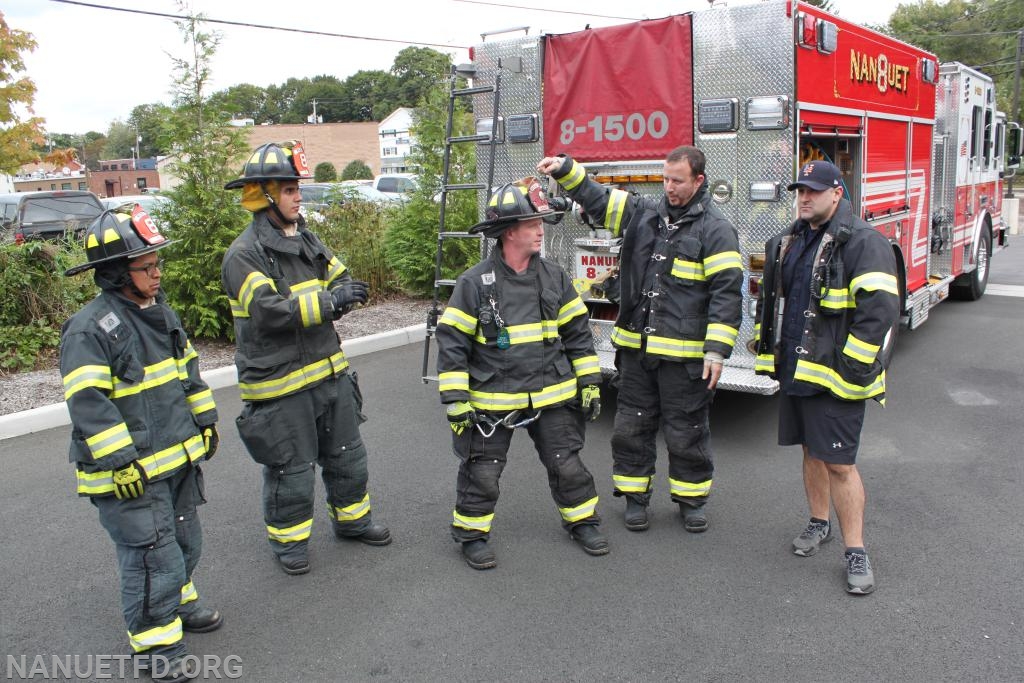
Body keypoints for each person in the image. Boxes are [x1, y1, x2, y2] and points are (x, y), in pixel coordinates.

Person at [537, 147, 743, 533]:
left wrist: (716, 350)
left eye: (677, 181)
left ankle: (690, 501)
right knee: (631, 427)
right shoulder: (644, 213)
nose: (669, 187)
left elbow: (727, 293)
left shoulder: (716, 230)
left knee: (687, 431)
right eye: (665, 179)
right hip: (635, 351)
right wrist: (566, 170)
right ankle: (635, 498)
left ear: (698, 181)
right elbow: (597, 198)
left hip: (684, 358)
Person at [61, 206, 222, 683]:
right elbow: (88, 402)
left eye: (157, 264)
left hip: (174, 459)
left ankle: (178, 607)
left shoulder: (162, 315)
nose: (157, 274)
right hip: (130, 473)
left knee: (184, 542)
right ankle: (156, 649)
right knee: (153, 557)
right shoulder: (90, 328)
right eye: (146, 266)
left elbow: (187, 373)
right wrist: (120, 461)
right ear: (115, 274)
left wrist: (206, 420)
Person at [221, 141, 391, 576]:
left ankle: (353, 522)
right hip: (281, 385)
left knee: (348, 456)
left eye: (299, 188)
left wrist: (344, 296)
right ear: (263, 195)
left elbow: (341, 278)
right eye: (290, 189)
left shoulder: (307, 238)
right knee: (291, 471)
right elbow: (269, 312)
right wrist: (331, 303)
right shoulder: (243, 255)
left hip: (328, 374)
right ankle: (289, 544)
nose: (299, 196)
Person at [435, 177, 608, 570]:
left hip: (552, 396)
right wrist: (456, 401)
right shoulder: (474, 283)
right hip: (493, 399)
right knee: (482, 470)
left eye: (541, 222)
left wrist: (590, 383)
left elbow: (578, 335)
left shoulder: (554, 277)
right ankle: (472, 535)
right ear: (509, 231)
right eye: (533, 223)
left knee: (567, 463)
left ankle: (583, 521)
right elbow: (453, 345)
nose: (540, 230)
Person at [753, 160, 899, 595]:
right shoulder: (792, 241)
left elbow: (880, 313)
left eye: (814, 191)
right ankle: (819, 523)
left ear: (838, 194)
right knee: (811, 452)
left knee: (839, 463)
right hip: (800, 373)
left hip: (839, 380)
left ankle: (856, 551)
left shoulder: (862, 242)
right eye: (800, 190)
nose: (805, 197)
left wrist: (852, 369)